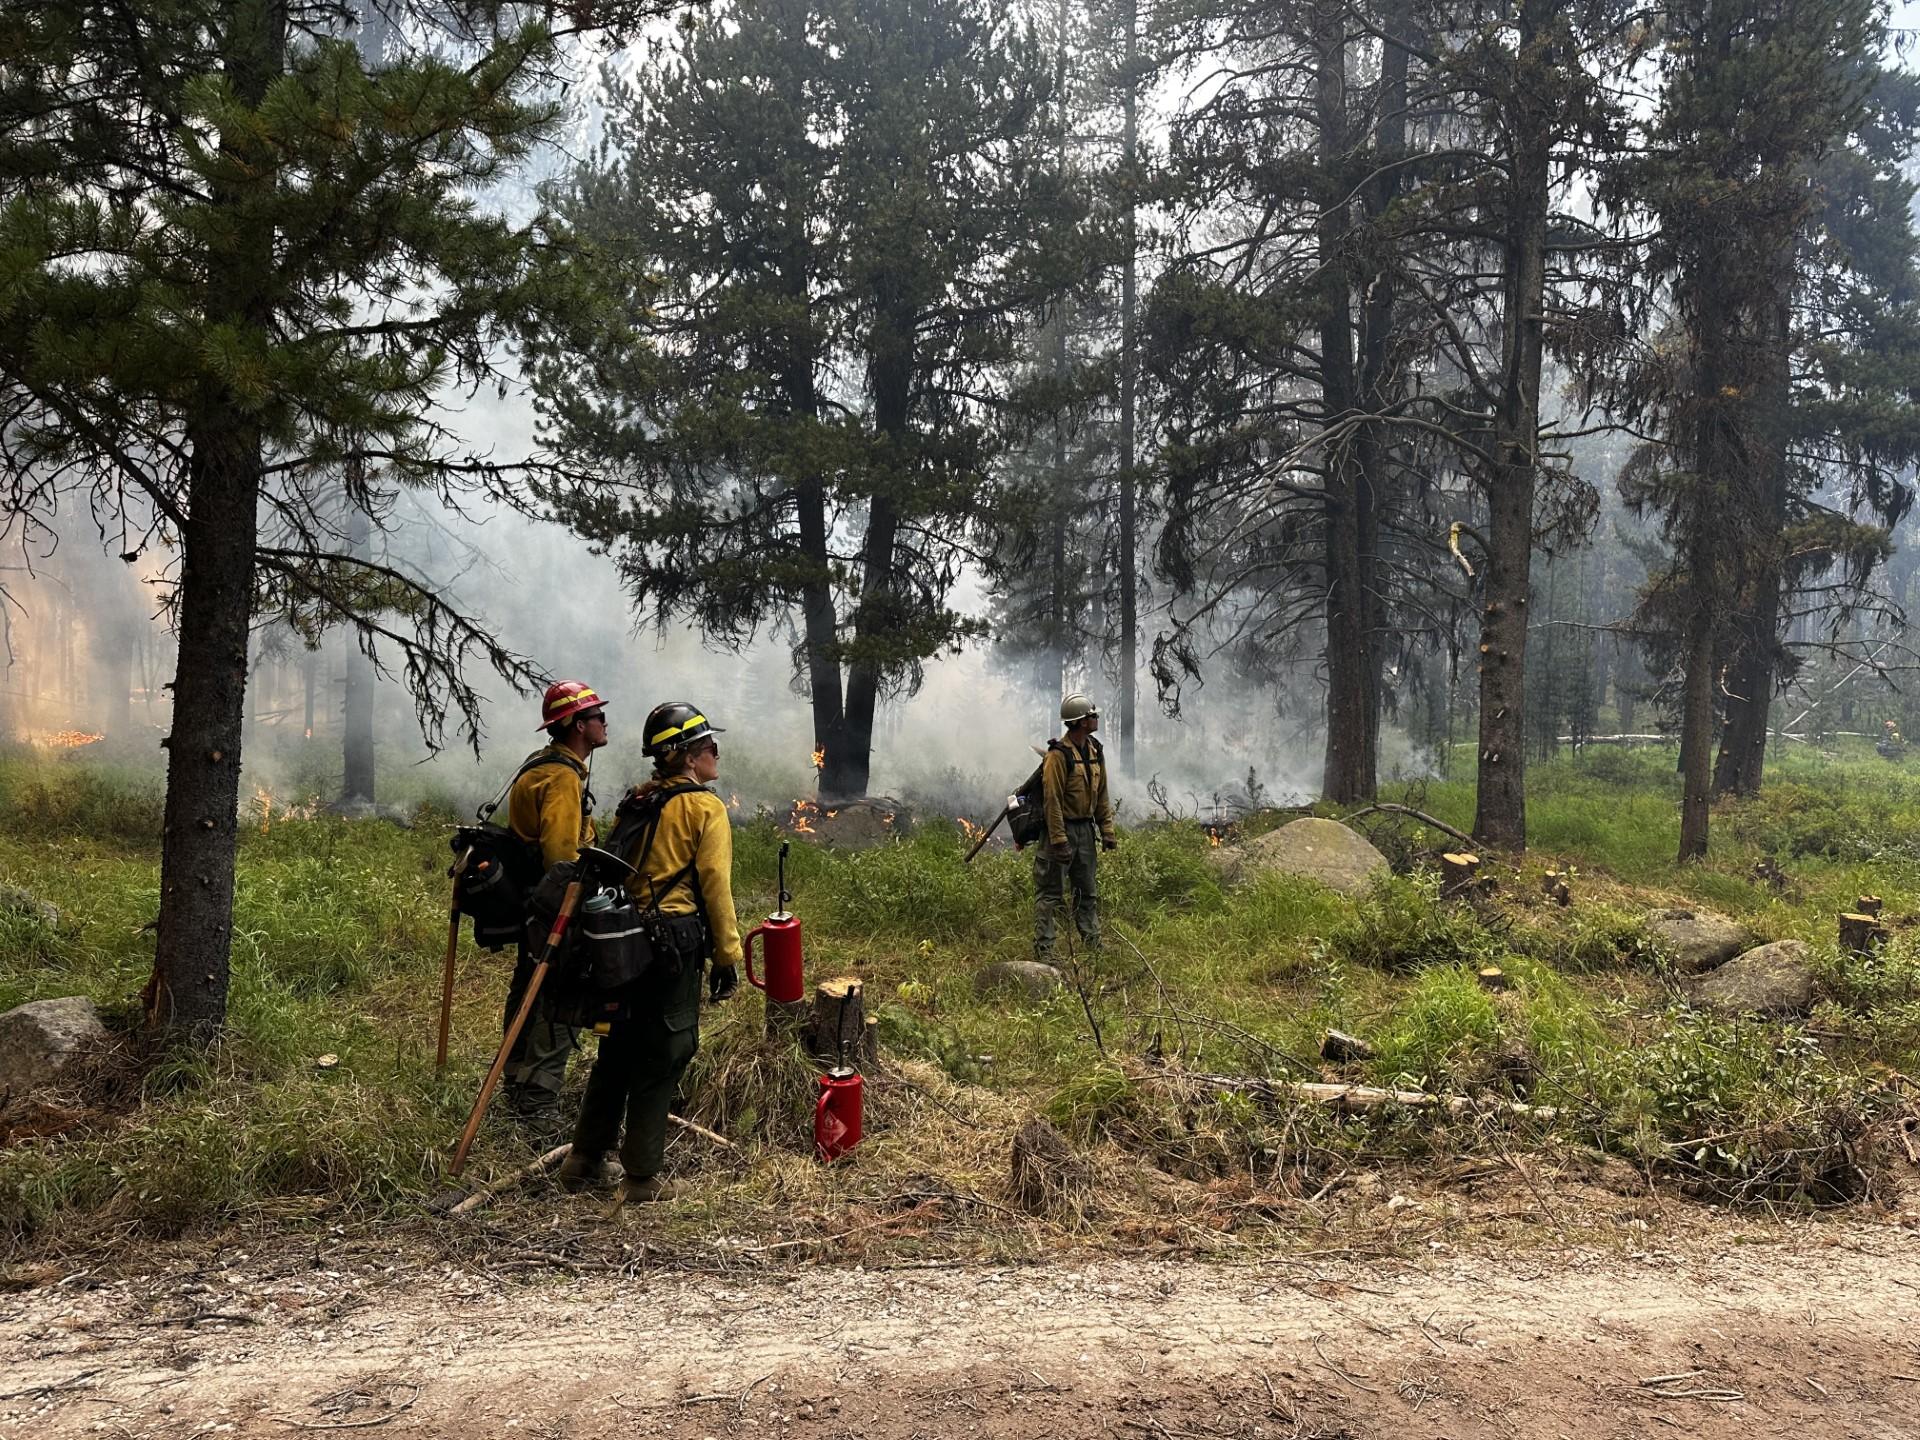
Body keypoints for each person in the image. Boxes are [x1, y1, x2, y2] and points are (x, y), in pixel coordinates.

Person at [560, 701, 742, 1202]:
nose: (715, 753)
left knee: (615, 1048)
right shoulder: (705, 808)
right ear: (686, 756)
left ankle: (583, 1160)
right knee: (665, 1050)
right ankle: (641, 1177)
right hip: (671, 946)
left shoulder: (639, 799)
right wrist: (728, 956)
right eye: (708, 746)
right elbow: (715, 887)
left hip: (620, 942)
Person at [499, 679, 608, 1127]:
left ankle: (514, 1081)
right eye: (598, 716)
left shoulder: (540, 766)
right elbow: (563, 859)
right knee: (560, 998)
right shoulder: (561, 778)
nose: (604, 722)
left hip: (530, 905)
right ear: (578, 726)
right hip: (554, 908)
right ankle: (537, 1104)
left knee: (527, 988)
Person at [1034, 691, 1116, 961]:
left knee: (1087, 892)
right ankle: (1045, 952)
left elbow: (1101, 794)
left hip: (1085, 831)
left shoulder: (1095, 751)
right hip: (1061, 830)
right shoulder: (1058, 756)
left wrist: (1107, 831)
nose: (1096, 718)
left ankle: (1093, 945)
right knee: (1050, 894)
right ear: (1081, 721)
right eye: (1092, 715)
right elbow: (1052, 800)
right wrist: (1058, 841)